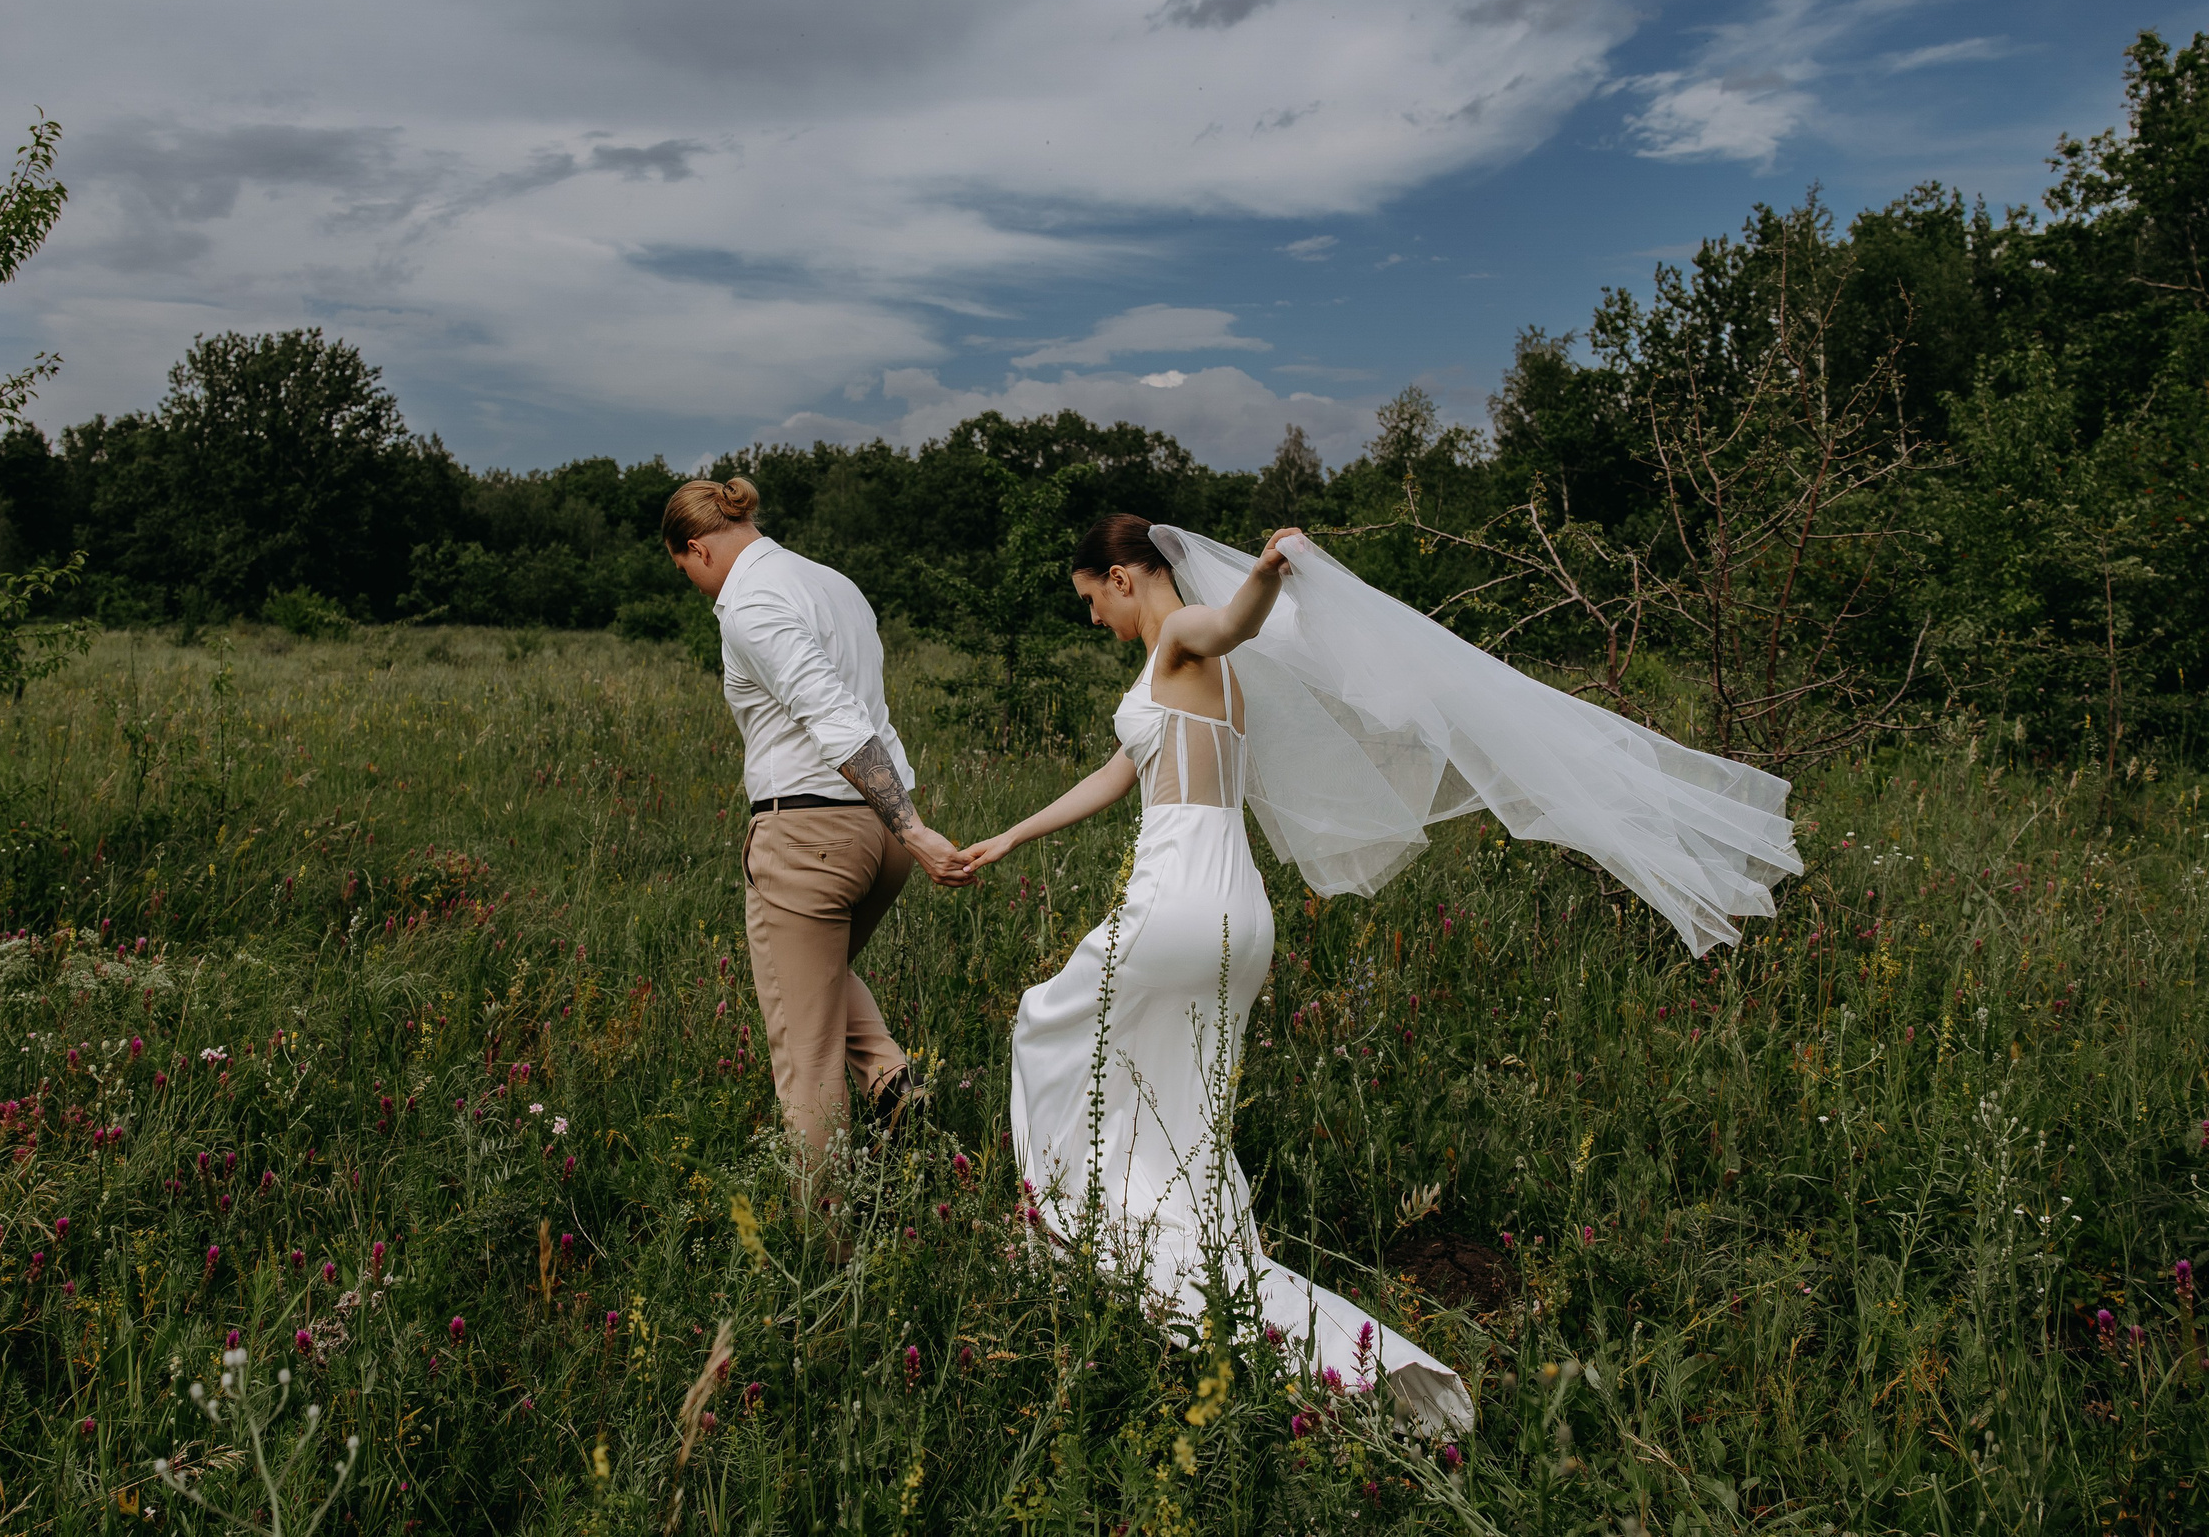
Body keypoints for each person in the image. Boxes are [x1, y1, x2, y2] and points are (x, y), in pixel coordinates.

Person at [962, 516, 1797, 1439]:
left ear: (1124, 577)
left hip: (1178, 901)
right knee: (1179, 1100)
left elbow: (1234, 620)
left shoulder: (1189, 636)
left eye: (1090, 600)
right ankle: (1162, 1234)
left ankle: (1090, 1237)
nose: (1093, 621)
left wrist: (1273, 571)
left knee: (1045, 1026)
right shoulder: (1195, 680)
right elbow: (1120, 772)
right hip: (1240, 912)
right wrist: (1010, 835)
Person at [664, 476, 972, 1237]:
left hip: (811, 840)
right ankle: (893, 1082)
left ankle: (826, 1247)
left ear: (697, 547)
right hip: (874, 835)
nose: (696, 587)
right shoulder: (833, 583)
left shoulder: (750, 603)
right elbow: (873, 710)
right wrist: (900, 825)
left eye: (686, 570)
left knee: (803, 1057)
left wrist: (914, 827)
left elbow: (834, 718)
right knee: (820, 983)